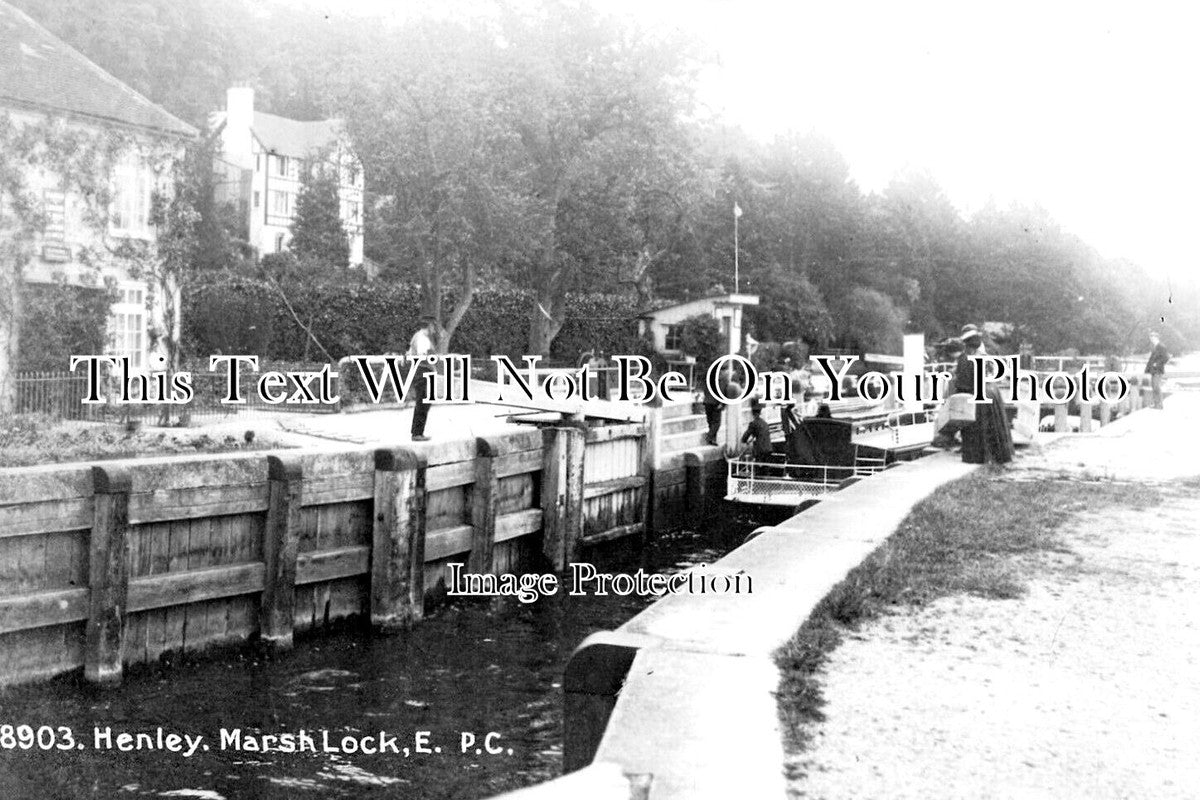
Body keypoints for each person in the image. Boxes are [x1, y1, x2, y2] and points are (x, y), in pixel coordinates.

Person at [954, 325, 1013, 465]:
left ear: (966, 343)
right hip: (992, 393)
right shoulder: (991, 353)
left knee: (975, 429)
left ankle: (977, 457)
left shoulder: (965, 358)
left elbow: (964, 383)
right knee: (994, 429)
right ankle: (997, 456)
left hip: (977, 395)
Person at [407, 314, 437, 441]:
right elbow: (422, 356)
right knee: (423, 402)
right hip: (423, 372)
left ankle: (417, 431)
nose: (435, 329)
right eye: (434, 325)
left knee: (423, 401)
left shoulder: (418, 337)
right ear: (429, 326)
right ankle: (417, 433)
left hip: (421, 371)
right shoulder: (422, 338)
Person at [702, 364, 740, 445]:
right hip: (716, 402)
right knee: (716, 423)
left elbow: (705, 389)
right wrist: (722, 404)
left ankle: (712, 439)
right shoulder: (723, 379)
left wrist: (706, 398)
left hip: (707, 402)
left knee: (710, 422)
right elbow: (723, 392)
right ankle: (709, 437)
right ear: (724, 370)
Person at [1145, 332, 1170, 410]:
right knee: (1154, 386)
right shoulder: (1155, 347)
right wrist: (1147, 369)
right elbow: (1151, 359)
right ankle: (1156, 404)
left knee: (1157, 387)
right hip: (1154, 370)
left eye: (1153, 338)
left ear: (1157, 338)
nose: (1151, 339)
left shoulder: (1161, 346)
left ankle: (1159, 405)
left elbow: (1166, 357)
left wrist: (1157, 364)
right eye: (1151, 338)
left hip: (1158, 370)